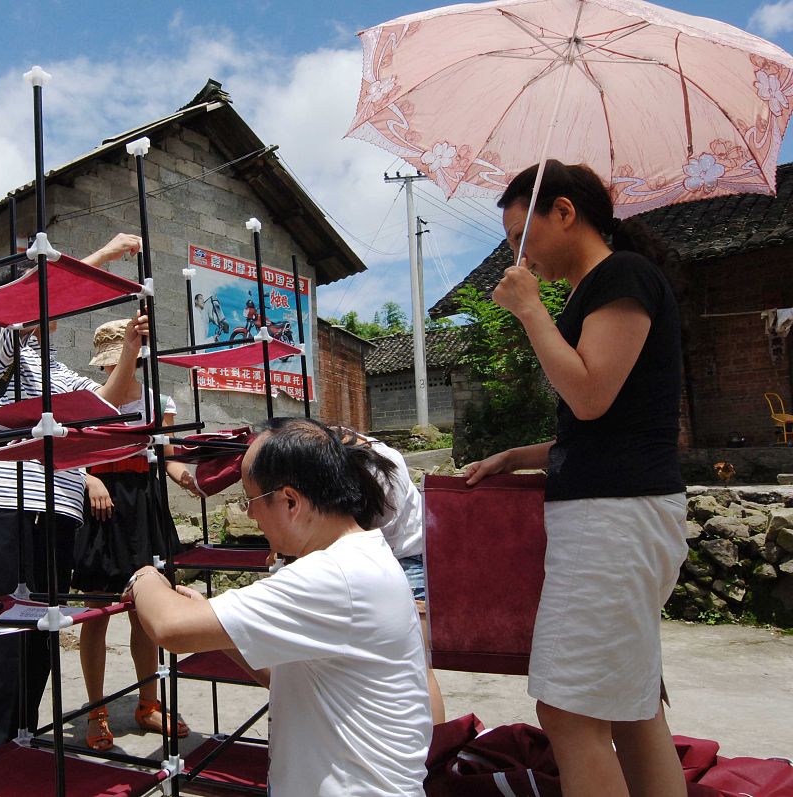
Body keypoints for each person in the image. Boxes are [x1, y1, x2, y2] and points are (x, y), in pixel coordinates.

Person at [464, 160, 687, 797]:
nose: (518, 253)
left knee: (568, 710)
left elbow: (590, 396)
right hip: (623, 513)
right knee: (632, 709)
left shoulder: (622, 276)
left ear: (564, 212)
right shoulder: (610, 283)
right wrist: (515, 457)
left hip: (611, 522)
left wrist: (532, 311)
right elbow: (603, 424)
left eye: (518, 236)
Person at [126, 417, 432, 797]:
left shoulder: (333, 574)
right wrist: (224, 626)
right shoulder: (361, 554)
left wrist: (143, 576)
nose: (251, 516)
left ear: (290, 500)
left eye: (250, 500)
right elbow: (282, 676)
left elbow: (169, 628)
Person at [0, 233, 150, 762]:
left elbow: (101, 406)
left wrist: (130, 352)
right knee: (1, 643)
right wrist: (105, 256)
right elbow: (29, 301)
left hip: (59, 513)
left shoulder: (53, 365)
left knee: (40, 641)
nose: (55, 311)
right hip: (10, 507)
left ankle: (19, 748)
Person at [72, 318, 202, 751]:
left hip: (145, 506)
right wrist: (90, 480)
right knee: (96, 612)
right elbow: (75, 458)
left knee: (145, 612)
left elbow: (165, 457)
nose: (119, 369)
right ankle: (96, 710)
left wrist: (189, 478)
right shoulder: (88, 400)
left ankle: (149, 702)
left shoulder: (158, 401)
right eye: (112, 363)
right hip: (102, 508)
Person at [335, 428, 445, 725]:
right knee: (418, 669)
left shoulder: (373, 471)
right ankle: (437, 753)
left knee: (415, 670)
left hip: (406, 565)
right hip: (410, 562)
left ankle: (436, 751)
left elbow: (357, 529)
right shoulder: (373, 454)